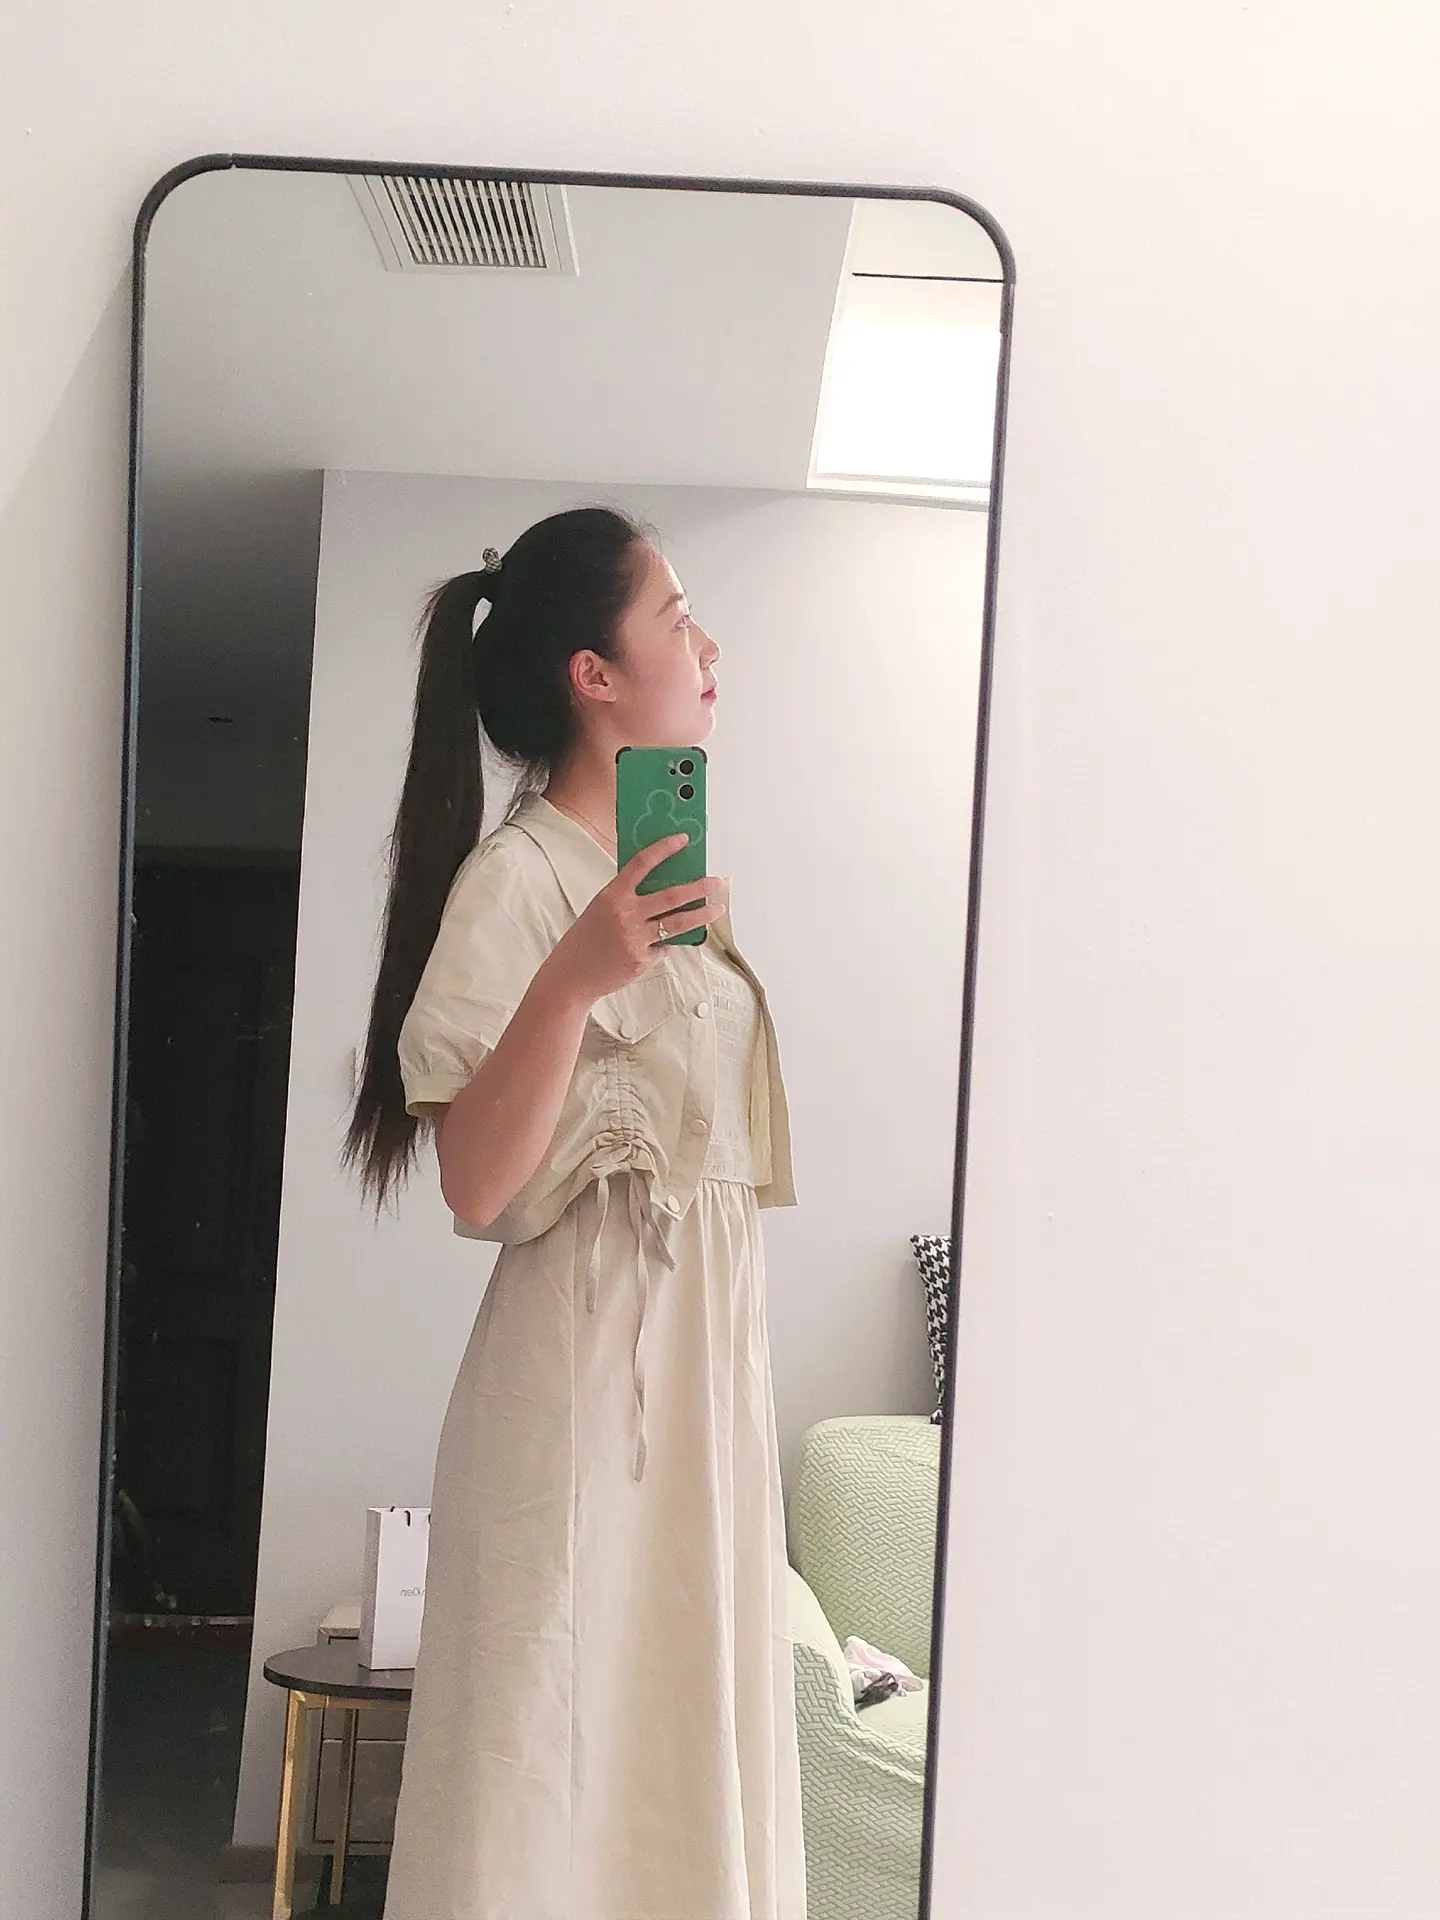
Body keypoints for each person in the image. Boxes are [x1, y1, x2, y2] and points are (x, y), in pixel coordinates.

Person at [344, 505, 806, 1920]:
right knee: (549, 1773)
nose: (709, 648)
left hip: (701, 1399)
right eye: (677, 617)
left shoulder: (669, 883)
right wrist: (574, 976)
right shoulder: (521, 881)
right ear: (592, 675)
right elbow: (476, 1183)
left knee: (673, 1763)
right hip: (581, 1400)